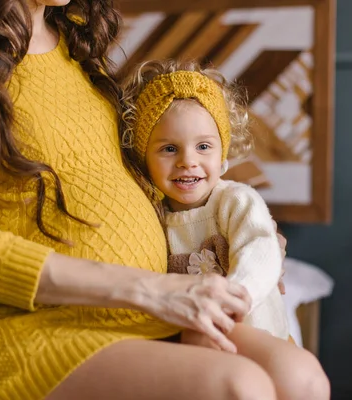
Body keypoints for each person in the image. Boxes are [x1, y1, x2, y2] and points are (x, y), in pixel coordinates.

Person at [0, 1, 313, 400]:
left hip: (134, 311)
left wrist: (234, 237)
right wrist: (156, 290)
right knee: (240, 386)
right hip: (9, 324)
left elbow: (130, 186)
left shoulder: (75, 44)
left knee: (301, 378)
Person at [120, 59, 330, 400]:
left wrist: (234, 297)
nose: (188, 160)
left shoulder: (235, 200)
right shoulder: (152, 217)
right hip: (200, 346)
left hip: (255, 330)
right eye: (169, 148)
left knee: (299, 384)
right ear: (144, 156)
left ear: (223, 155)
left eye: (203, 146)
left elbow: (260, 249)